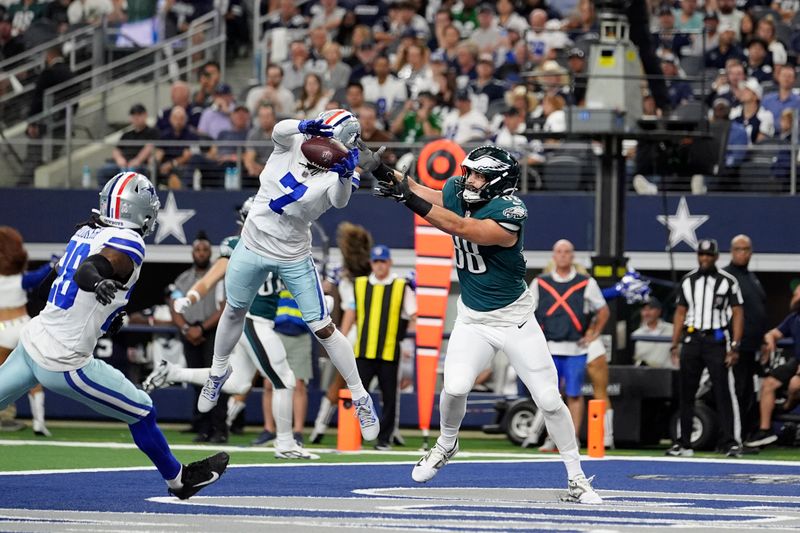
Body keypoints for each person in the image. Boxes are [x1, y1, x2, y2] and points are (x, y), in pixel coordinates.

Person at [373, 145, 601, 503]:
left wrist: (409, 201)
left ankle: (577, 477)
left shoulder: (510, 211)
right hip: (474, 318)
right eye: (469, 172)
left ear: (498, 182)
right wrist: (381, 169)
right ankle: (447, 444)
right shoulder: (460, 189)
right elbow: (423, 190)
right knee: (455, 386)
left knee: (549, 400)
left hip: (515, 319)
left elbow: (463, 227)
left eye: (478, 175)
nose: (470, 179)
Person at [0, 172, 228, 498]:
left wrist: (105, 313)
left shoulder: (86, 230)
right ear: (140, 211)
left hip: (32, 340)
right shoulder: (130, 241)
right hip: (63, 362)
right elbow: (87, 271)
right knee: (143, 410)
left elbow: (48, 286)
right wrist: (99, 282)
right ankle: (179, 480)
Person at [197, 110, 381, 443]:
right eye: (319, 132)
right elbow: (279, 131)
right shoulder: (295, 138)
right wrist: (302, 126)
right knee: (234, 309)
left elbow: (339, 203)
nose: (319, 139)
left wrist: (342, 175)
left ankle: (360, 396)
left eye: (326, 136)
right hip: (253, 240)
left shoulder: (344, 166)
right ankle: (216, 371)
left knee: (323, 327)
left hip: (293, 253)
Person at [145, 198, 317, 459]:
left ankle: (173, 372)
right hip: (250, 319)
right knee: (285, 379)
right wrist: (190, 297)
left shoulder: (278, 245)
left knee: (238, 383)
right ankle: (284, 444)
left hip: (260, 321)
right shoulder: (238, 245)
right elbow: (212, 277)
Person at [668, 238, 744, 457]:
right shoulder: (688, 280)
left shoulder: (727, 281)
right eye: (701, 255)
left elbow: (738, 312)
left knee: (723, 392)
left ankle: (730, 441)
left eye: (709, 255)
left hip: (716, 340)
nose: (704, 259)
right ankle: (684, 443)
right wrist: (675, 343)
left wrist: (735, 345)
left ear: (716, 257)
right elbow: (680, 312)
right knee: (686, 392)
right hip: (692, 339)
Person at [530, 240, 609, 450]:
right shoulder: (541, 283)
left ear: (572, 256)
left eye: (567, 252)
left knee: (574, 394)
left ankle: (573, 438)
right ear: (553, 256)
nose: (563, 255)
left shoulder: (586, 282)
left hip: (576, 348)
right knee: (550, 396)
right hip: (549, 348)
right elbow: (527, 311)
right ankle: (552, 438)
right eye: (559, 252)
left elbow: (603, 310)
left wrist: (593, 333)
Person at [339, 244, 417, 450]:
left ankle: (384, 439)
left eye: (383, 261)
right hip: (363, 351)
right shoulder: (360, 284)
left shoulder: (401, 286)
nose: (380, 265)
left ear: (390, 263)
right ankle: (353, 435)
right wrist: (339, 341)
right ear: (371, 263)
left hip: (389, 351)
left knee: (390, 398)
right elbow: (350, 313)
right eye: (376, 261)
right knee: (358, 394)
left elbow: (414, 314)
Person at [170, 232, 226, 442]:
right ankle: (202, 427)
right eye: (198, 250)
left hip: (212, 331)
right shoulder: (183, 279)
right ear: (192, 252)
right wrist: (186, 329)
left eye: (205, 250)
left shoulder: (218, 277)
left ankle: (219, 429)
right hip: (189, 331)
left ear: (210, 253)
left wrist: (202, 329)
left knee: (215, 378)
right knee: (196, 380)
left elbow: (224, 307)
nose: (201, 253)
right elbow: (174, 306)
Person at [0, 227, 54, 435]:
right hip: (24, 326)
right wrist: (53, 264)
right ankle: (39, 422)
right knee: (34, 376)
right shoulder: (20, 279)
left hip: (2, 329)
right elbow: (40, 276)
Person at [744, 283, 800, 449]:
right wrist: (769, 339)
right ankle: (765, 430)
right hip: (796, 361)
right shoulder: (794, 317)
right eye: (795, 295)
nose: (794, 299)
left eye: (797, 295)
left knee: (795, 385)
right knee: (768, 384)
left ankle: (786, 406)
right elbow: (774, 333)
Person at [723, 234, 767, 441]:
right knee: (736, 392)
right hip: (734, 347)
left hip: (752, 348)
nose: (743, 253)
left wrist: (764, 339)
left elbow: (758, 310)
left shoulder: (751, 278)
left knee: (748, 393)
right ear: (732, 252)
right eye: (739, 249)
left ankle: (744, 435)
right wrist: (733, 343)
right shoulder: (725, 277)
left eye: (746, 249)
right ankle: (730, 437)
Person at [97, 104, 160, 186]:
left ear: (145, 115)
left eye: (139, 114)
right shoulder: (127, 134)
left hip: (141, 166)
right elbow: (117, 150)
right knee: (102, 171)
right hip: (123, 164)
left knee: (129, 172)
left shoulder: (152, 132)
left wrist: (137, 160)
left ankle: (124, 195)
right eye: (133, 115)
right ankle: (107, 195)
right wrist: (120, 159)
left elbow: (149, 148)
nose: (136, 117)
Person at [631, 299, 674, 368]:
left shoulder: (672, 330)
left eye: (650, 309)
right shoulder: (636, 334)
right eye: (644, 310)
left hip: (669, 374)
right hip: (645, 375)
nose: (647, 313)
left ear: (659, 311)